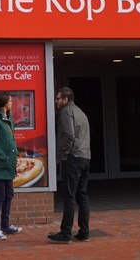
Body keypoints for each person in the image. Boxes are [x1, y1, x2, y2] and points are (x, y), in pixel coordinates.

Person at [49, 87, 90, 243]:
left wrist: (64, 154)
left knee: (69, 196)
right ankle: (84, 232)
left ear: (66, 100)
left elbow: (69, 135)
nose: (56, 101)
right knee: (82, 195)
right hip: (85, 157)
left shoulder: (66, 111)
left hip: (73, 158)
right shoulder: (80, 112)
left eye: (58, 98)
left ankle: (65, 234)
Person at [0, 92, 23, 240]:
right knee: (0, 196)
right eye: (10, 101)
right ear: (4, 103)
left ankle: (6, 226)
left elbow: (10, 138)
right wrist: (3, 155)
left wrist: (14, 155)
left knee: (9, 194)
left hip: (8, 163)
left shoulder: (8, 117)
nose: (12, 102)